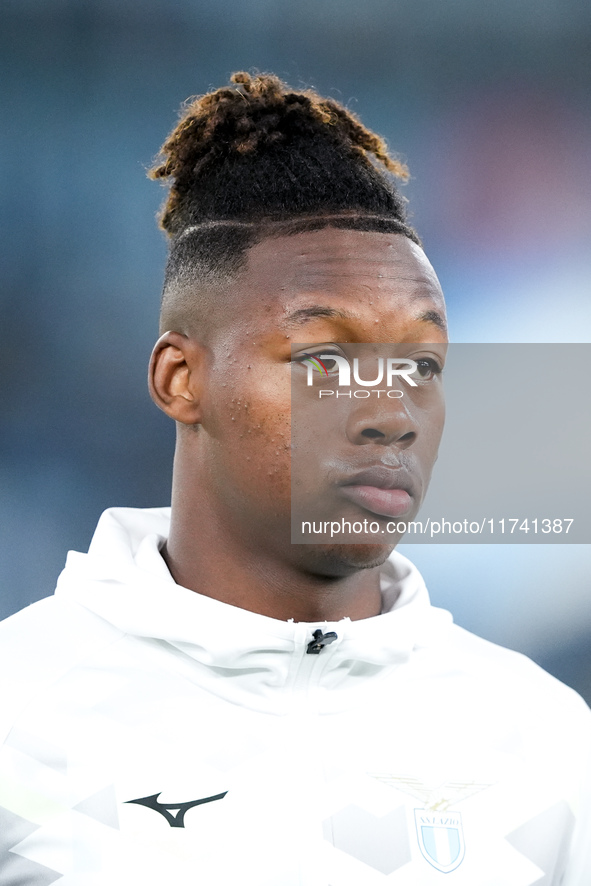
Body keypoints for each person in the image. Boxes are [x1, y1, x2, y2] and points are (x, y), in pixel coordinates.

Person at [0, 71, 589, 885]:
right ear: (181, 379)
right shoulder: (19, 712)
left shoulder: (543, 738)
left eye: (422, 361)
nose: (390, 411)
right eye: (324, 359)